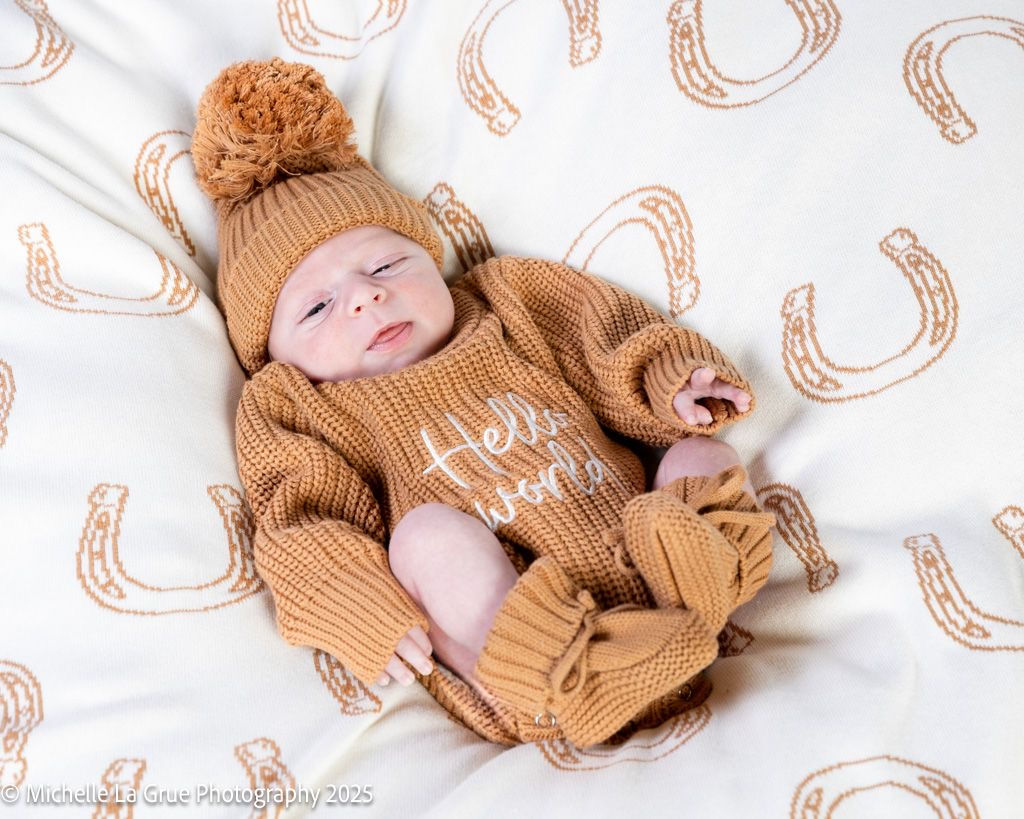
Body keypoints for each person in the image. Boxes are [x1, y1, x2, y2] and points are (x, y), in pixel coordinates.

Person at [191, 57, 777, 748]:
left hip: (647, 558)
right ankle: (581, 680)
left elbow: (601, 334)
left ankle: (692, 608)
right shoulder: (300, 405)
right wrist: (357, 606)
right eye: (317, 307)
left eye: (385, 265)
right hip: (525, 652)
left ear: (429, 258)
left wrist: (670, 380)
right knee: (426, 539)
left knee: (700, 452)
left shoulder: (504, 302)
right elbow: (299, 522)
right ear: (273, 353)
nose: (364, 296)